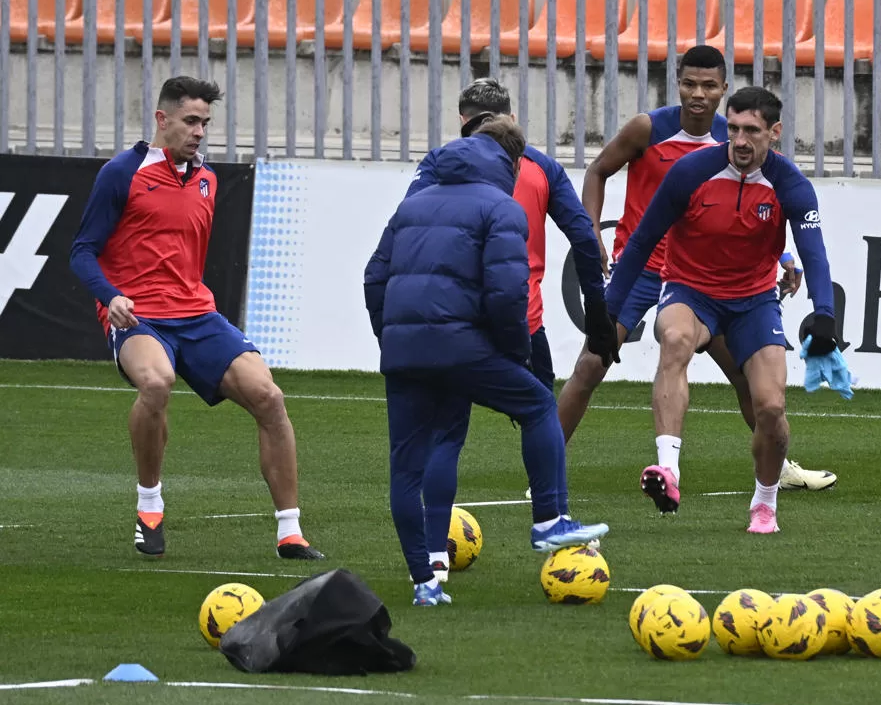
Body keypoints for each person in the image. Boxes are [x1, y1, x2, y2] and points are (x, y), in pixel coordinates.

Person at [556, 44, 837, 494]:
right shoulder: (648, 128)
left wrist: (782, 258)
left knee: (748, 379)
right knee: (591, 362)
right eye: (689, 83)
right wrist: (591, 234)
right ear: (678, 84)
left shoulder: (736, 138)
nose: (698, 94)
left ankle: (776, 466)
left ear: (724, 90)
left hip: (704, 278)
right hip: (644, 268)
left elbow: (751, 210)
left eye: (709, 86)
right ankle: (547, 469)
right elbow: (597, 170)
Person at [69, 76, 322, 560]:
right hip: (137, 315)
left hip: (197, 314)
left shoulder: (207, 179)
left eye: (205, 122)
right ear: (162, 120)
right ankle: (150, 506)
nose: (200, 131)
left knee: (270, 397)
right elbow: (82, 251)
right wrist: (111, 296)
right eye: (190, 121)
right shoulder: (122, 173)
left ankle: (290, 532)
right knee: (157, 382)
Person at [364, 116, 609, 606]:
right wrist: (513, 349)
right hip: (463, 345)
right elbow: (505, 292)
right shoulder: (502, 206)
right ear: (514, 161)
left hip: (404, 351)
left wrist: (390, 338)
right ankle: (548, 520)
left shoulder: (412, 203)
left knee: (407, 466)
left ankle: (426, 581)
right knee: (538, 405)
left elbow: (374, 277)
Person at [606, 86, 837, 534]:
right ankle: (668, 471)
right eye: (733, 128)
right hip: (690, 291)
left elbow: (815, 253)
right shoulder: (692, 171)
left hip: (753, 302)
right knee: (673, 340)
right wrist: (608, 311)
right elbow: (641, 243)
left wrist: (824, 313)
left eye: (751, 130)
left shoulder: (791, 185)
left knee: (770, 408)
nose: (740, 140)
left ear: (775, 132)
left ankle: (764, 503)